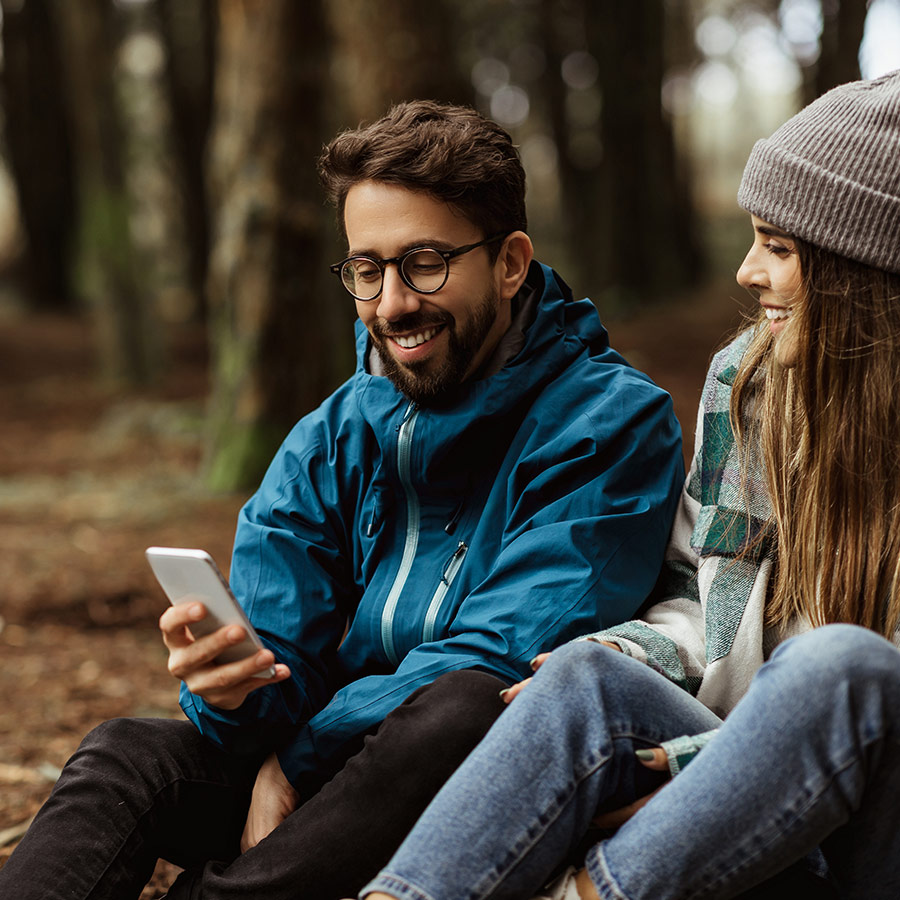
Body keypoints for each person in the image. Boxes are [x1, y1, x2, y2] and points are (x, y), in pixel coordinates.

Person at [0, 101, 684, 900]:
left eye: (424, 262)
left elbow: (497, 657)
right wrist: (225, 690)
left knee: (460, 709)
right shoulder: (332, 434)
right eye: (367, 269)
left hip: (477, 786)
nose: (392, 303)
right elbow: (278, 653)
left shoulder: (610, 420)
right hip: (327, 787)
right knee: (124, 757)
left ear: (509, 262)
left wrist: (296, 758)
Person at [356, 70, 900, 900]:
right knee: (586, 676)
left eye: (780, 249)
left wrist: (686, 766)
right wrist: (624, 650)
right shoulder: (751, 388)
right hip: (760, 811)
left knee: (844, 667)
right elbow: (696, 595)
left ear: (867, 277)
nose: (747, 272)